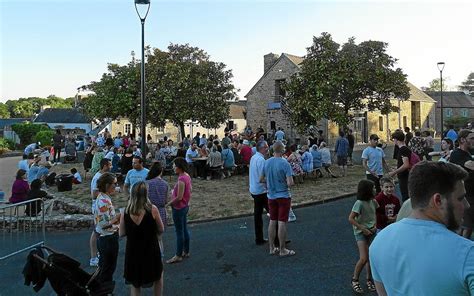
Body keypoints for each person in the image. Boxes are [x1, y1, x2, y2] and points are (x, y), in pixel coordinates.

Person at [369, 161, 473, 295]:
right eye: (461, 198)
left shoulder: (379, 242)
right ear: (438, 201)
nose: (467, 205)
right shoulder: (467, 254)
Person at [119, 181, 164, 296]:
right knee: (158, 276)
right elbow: (161, 228)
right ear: (146, 194)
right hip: (150, 249)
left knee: (135, 283)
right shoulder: (152, 209)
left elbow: (122, 233)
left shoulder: (126, 211)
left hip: (133, 251)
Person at [261, 141, 295, 257]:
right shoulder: (285, 163)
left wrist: (270, 183)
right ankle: (282, 249)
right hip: (283, 196)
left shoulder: (266, 162)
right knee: (282, 222)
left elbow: (261, 179)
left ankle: (271, 248)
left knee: (272, 220)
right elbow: (290, 183)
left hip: (271, 195)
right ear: (282, 150)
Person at [348, 179, 378, 294]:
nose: (375, 189)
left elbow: (374, 214)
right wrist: (362, 228)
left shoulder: (373, 202)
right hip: (361, 232)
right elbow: (350, 218)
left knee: (371, 257)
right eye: (373, 188)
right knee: (364, 257)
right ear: (367, 191)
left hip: (371, 230)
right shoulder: (359, 203)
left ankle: (369, 279)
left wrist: (375, 225)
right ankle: (355, 279)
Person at [93, 172, 120, 285]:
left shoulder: (102, 197)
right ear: (107, 185)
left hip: (105, 238)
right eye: (114, 183)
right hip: (108, 239)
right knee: (107, 270)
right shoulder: (104, 201)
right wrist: (118, 217)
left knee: (105, 268)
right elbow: (105, 224)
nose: (116, 185)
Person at [165, 157, 192, 264]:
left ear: (179, 167)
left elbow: (179, 197)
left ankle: (178, 255)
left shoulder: (181, 179)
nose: (173, 167)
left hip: (179, 208)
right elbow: (190, 190)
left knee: (179, 231)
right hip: (185, 206)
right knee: (184, 229)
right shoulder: (186, 176)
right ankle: (186, 251)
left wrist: (168, 203)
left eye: (174, 165)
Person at [449, 129, 474, 239]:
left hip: (470, 193)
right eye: (472, 138)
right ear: (463, 140)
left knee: (468, 226)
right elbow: (470, 165)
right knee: (466, 226)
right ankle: (460, 249)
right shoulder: (457, 154)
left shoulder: (467, 153)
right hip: (465, 195)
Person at [89, 158, 112, 267]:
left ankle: (97, 254)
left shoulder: (101, 177)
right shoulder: (98, 177)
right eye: (109, 165)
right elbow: (94, 194)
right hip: (97, 208)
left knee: (99, 231)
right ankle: (93, 257)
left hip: (101, 207)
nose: (111, 167)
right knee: (97, 231)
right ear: (104, 166)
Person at [249, 140, 270, 245]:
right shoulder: (261, 160)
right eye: (266, 147)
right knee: (274, 214)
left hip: (254, 189)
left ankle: (259, 238)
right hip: (261, 191)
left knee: (258, 216)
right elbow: (263, 177)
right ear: (262, 148)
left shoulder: (253, 158)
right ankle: (276, 238)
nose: (267, 149)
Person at [146, 162, 169, 254]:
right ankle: (160, 259)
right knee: (159, 238)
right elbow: (166, 200)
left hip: (149, 211)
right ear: (161, 171)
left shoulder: (147, 183)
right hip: (161, 211)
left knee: (149, 238)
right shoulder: (165, 184)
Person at [388, 130, 412, 202]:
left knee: (405, 196)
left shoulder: (403, 149)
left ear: (396, 139)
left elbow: (406, 165)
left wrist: (394, 172)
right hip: (404, 175)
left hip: (404, 176)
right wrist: (396, 168)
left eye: (393, 139)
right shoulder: (404, 149)